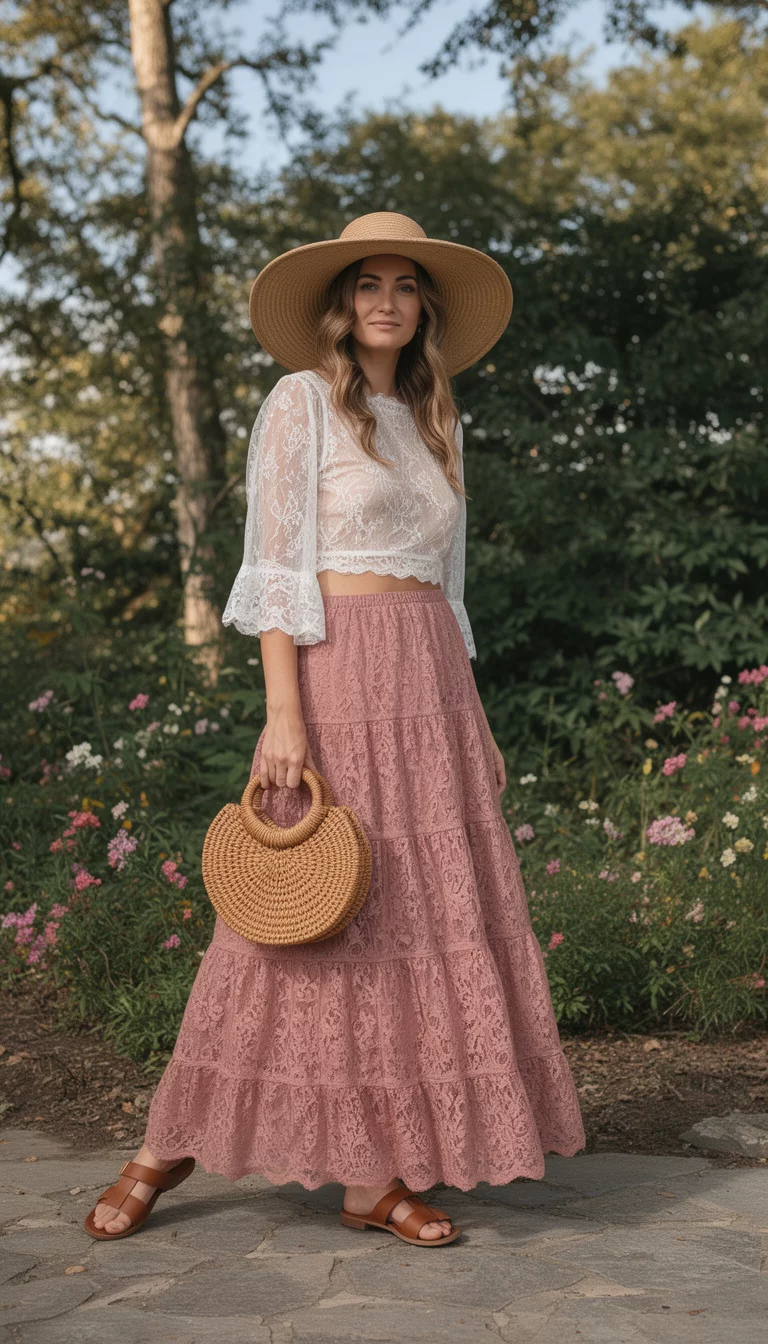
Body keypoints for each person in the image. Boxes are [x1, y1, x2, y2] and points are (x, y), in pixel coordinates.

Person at [85, 211, 585, 1247]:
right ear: (342, 304)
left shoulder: (439, 421)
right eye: (369, 285)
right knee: (295, 916)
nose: (387, 302)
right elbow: (275, 570)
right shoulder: (300, 405)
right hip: (337, 669)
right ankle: (163, 1143)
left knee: (413, 922)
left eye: (405, 286)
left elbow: (449, 593)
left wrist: (476, 720)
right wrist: (283, 717)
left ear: (424, 309)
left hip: (432, 683)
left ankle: (373, 1177)